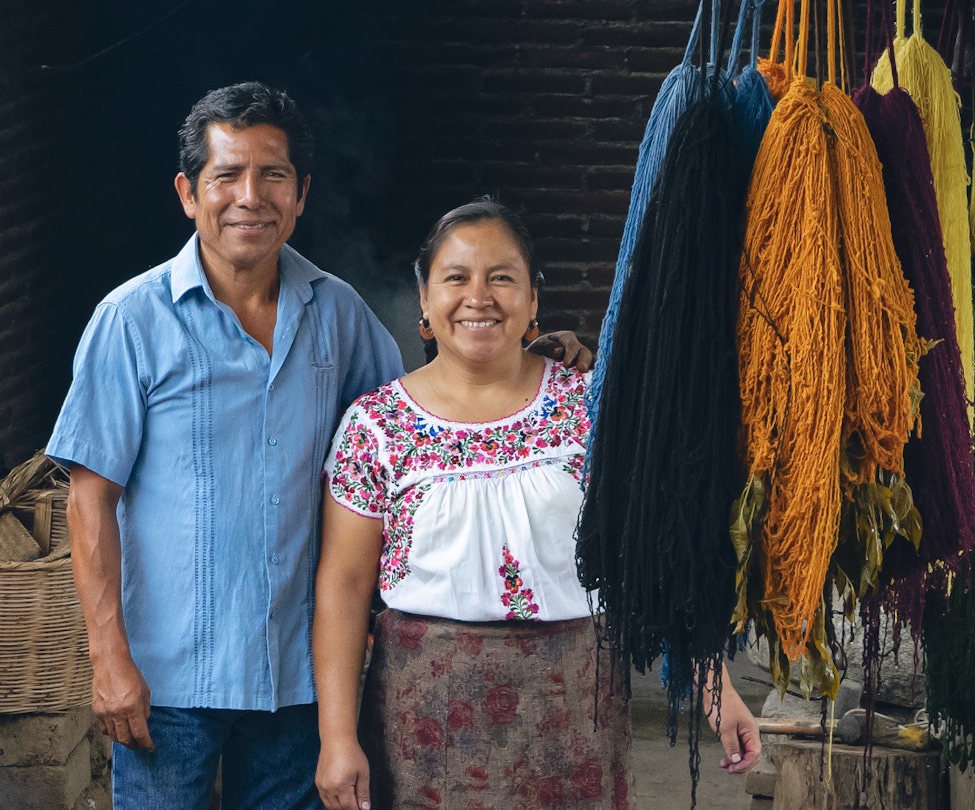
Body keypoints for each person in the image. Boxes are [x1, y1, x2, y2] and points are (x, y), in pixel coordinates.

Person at [47, 84, 589, 809]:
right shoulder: (130, 322)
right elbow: (91, 500)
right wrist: (107, 655)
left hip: (295, 684)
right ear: (187, 193)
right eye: (226, 176)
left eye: (272, 175)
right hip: (168, 679)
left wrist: (533, 359)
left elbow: (423, 419)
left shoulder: (338, 315)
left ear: (300, 193)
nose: (250, 196)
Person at [313, 199, 761, 810]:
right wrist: (336, 739)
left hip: (574, 709)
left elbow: (650, 553)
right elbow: (343, 584)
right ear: (424, 300)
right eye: (456, 278)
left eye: (502, 277)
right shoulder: (376, 426)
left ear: (532, 300)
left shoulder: (590, 408)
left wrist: (715, 687)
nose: (479, 296)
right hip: (423, 719)